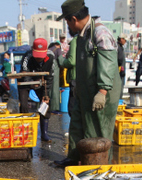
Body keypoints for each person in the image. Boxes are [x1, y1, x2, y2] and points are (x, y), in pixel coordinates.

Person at [54, 0, 121, 167]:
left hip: (100, 92)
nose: (67, 25)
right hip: (84, 91)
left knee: (98, 131)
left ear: (74, 19)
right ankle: (75, 157)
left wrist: (102, 92)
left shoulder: (100, 32)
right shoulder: (82, 35)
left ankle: (99, 166)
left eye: (67, 21)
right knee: (77, 124)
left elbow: (108, 63)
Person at [18, 38, 55, 142]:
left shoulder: (51, 57)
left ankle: (44, 133)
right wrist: (31, 82)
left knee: (45, 105)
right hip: (26, 81)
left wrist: (45, 94)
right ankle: (24, 133)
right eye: (37, 57)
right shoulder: (27, 56)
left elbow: (50, 77)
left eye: (41, 57)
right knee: (24, 105)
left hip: (43, 81)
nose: (39, 59)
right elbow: (24, 72)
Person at [48, 41, 62, 112]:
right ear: (57, 45)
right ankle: (54, 108)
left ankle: (47, 107)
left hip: (47, 71)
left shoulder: (47, 50)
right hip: (55, 71)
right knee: (55, 89)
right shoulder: (57, 50)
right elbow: (61, 61)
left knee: (48, 89)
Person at [117, 34, 127, 99]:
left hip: (119, 69)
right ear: (121, 39)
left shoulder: (118, 46)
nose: (125, 42)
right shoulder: (119, 48)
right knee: (119, 86)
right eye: (125, 40)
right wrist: (122, 69)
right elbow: (120, 59)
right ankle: (119, 100)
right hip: (120, 70)